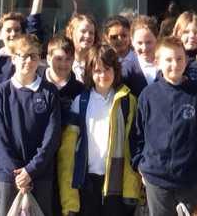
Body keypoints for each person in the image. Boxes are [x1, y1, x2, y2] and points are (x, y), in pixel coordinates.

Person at [129, 36, 197, 216]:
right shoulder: (148, 95)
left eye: (179, 59)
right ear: (157, 62)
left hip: (191, 179)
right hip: (157, 180)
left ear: (186, 60)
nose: (175, 64)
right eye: (169, 59)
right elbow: (137, 134)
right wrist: (140, 164)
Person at [57, 45, 141, 216]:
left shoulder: (127, 101)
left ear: (116, 70)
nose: (103, 75)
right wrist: (69, 197)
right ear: (90, 72)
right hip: (87, 181)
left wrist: (132, 189)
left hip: (117, 182)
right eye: (97, 70)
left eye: (107, 69)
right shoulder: (80, 102)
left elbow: (131, 147)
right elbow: (68, 152)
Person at [0, 34, 62, 216]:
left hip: (40, 175)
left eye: (34, 56)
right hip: (9, 177)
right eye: (24, 55)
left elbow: (52, 137)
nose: (29, 61)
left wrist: (30, 171)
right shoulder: (1, 92)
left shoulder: (49, 92)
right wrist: (18, 174)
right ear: (14, 58)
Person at [45, 34, 86, 118]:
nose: (63, 64)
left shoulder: (80, 91)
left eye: (68, 59)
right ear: (48, 59)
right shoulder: (36, 84)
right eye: (59, 59)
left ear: (73, 60)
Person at [120, 15, 159, 96]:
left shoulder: (167, 64)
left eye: (148, 42)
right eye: (139, 43)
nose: (144, 48)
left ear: (157, 39)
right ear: (132, 41)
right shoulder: (126, 70)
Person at [66, 14, 99, 83]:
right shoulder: (63, 62)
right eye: (83, 31)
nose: (87, 36)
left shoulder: (98, 62)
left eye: (91, 33)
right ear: (71, 33)